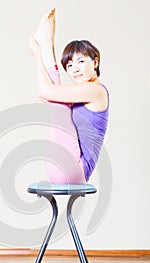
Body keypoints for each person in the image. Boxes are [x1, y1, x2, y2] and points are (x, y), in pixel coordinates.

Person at [29, 8, 109, 184]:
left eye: (81, 61)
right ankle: (46, 42)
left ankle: (46, 44)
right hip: (63, 168)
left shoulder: (96, 90)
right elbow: (48, 94)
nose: (75, 69)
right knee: (57, 103)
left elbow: (44, 91)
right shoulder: (82, 95)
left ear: (95, 62)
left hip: (73, 171)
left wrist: (37, 57)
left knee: (58, 103)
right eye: (70, 65)